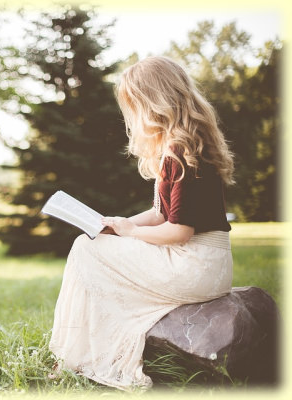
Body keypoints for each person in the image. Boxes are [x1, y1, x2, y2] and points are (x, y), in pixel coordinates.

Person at [48, 56, 235, 391]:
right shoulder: (185, 143)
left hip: (195, 264)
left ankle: (78, 356)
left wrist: (131, 233)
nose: (131, 116)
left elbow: (179, 231)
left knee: (84, 249)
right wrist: (117, 224)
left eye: (134, 106)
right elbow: (161, 214)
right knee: (94, 244)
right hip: (208, 263)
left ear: (153, 102)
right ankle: (80, 353)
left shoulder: (180, 149)